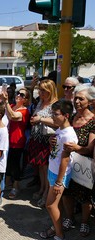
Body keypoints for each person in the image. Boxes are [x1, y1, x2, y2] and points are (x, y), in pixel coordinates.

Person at [39, 100, 78, 240]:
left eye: (56, 114)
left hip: (59, 175)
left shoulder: (69, 135)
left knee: (50, 205)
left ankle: (59, 234)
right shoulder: (60, 129)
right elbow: (57, 150)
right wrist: (52, 141)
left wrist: (58, 182)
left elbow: (65, 160)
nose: (53, 117)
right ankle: (56, 227)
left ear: (66, 115)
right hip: (53, 171)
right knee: (55, 205)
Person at [61, 85, 95, 237]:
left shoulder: (93, 121)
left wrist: (76, 148)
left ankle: (84, 222)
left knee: (85, 196)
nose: (77, 101)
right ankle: (69, 218)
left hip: (84, 165)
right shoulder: (72, 116)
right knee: (66, 192)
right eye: (76, 98)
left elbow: (89, 148)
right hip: (68, 162)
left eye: (81, 98)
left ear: (90, 101)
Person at [28, 79, 58, 207]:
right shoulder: (40, 102)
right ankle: (42, 189)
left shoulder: (55, 105)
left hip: (47, 140)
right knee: (40, 166)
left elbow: (57, 122)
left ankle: (46, 193)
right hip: (37, 138)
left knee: (46, 168)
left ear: (50, 91)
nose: (40, 93)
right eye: (39, 90)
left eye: (43, 91)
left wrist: (41, 119)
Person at [1, 88, 30, 198]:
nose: (18, 95)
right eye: (17, 93)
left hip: (17, 140)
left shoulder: (25, 111)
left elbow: (13, 116)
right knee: (8, 163)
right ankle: (8, 183)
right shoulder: (12, 106)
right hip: (7, 139)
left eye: (22, 94)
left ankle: (16, 186)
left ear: (26, 99)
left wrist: (6, 102)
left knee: (16, 164)